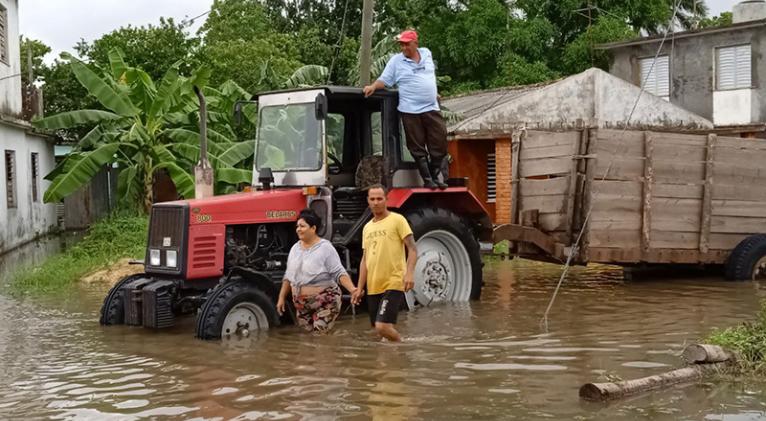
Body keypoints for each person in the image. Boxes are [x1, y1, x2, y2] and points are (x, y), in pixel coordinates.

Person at [363, 29, 448, 189]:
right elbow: (385, 79)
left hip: (431, 107)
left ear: (415, 43)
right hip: (411, 110)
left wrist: (434, 93)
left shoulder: (426, 54)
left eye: (406, 44)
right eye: (401, 45)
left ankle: (435, 173)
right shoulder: (397, 61)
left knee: (440, 140)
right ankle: (428, 178)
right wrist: (373, 86)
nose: (403, 48)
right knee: (417, 145)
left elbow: (429, 77)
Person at [277, 208, 360, 333]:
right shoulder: (295, 248)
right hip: (302, 304)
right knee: (307, 341)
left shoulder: (325, 248)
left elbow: (338, 272)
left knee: (319, 337)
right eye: (297, 226)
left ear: (313, 228)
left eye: (302, 226)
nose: (298, 229)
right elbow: (288, 276)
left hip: (326, 301)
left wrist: (352, 290)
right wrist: (281, 297)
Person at [352, 184, 418, 341]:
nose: (376, 202)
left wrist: (409, 273)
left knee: (383, 326)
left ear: (387, 200)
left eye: (379, 199)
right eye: (372, 199)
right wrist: (360, 288)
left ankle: (402, 347)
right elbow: (365, 259)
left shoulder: (397, 220)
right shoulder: (367, 227)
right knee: (377, 330)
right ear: (368, 201)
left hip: (393, 282)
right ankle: (388, 361)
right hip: (373, 286)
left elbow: (413, 249)